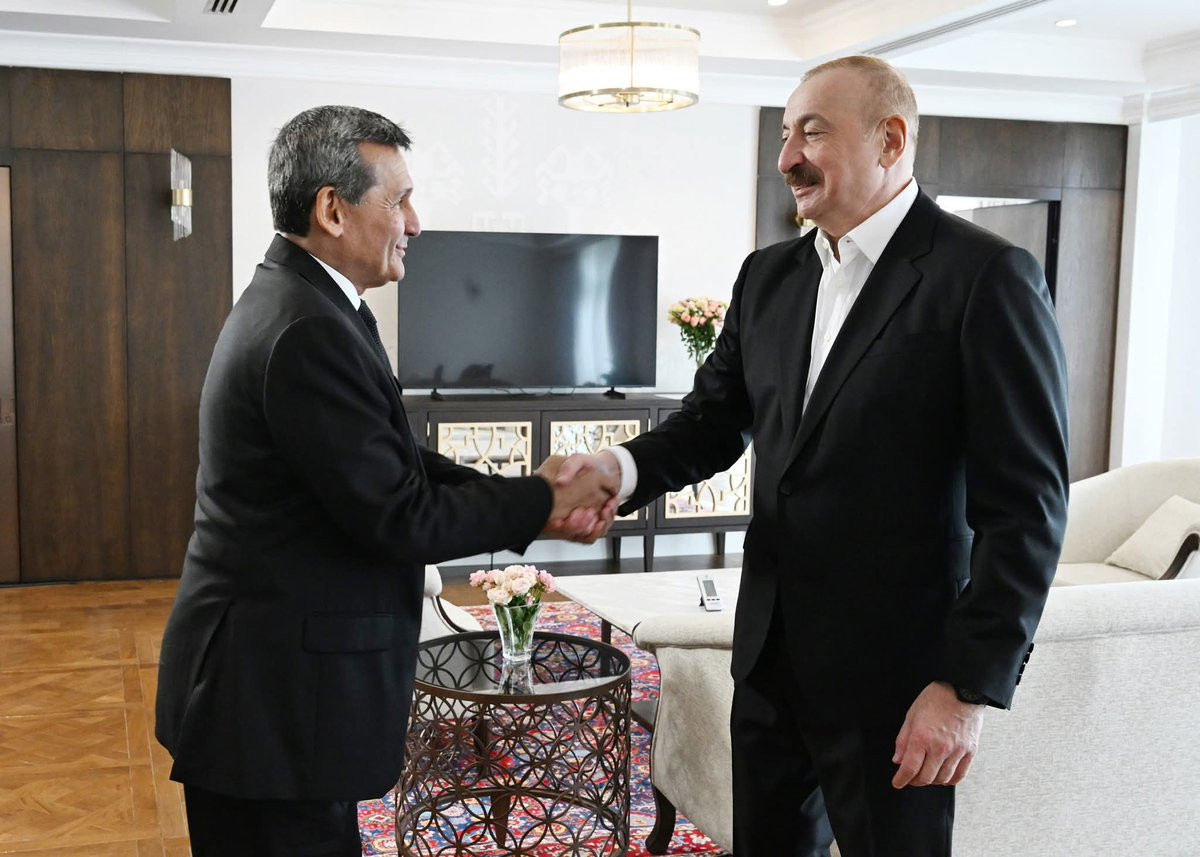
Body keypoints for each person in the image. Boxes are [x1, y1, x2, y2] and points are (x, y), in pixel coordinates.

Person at [559, 56, 1069, 856]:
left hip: (899, 683)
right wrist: (617, 471)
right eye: (785, 133)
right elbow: (710, 423)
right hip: (769, 663)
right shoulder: (768, 276)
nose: (787, 157)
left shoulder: (986, 277)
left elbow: (1027, 507)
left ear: (890, 139)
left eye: (813, 132)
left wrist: (966, 687)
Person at [155, 105, 616, 857]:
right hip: (272, 706)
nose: (416, 223)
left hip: (273, 692)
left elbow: (392, 458)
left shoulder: (312, 304)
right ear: (332, 210)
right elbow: (400, 515)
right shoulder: (307, 328)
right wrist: (543, 502)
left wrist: (533, 493)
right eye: (398, 200)